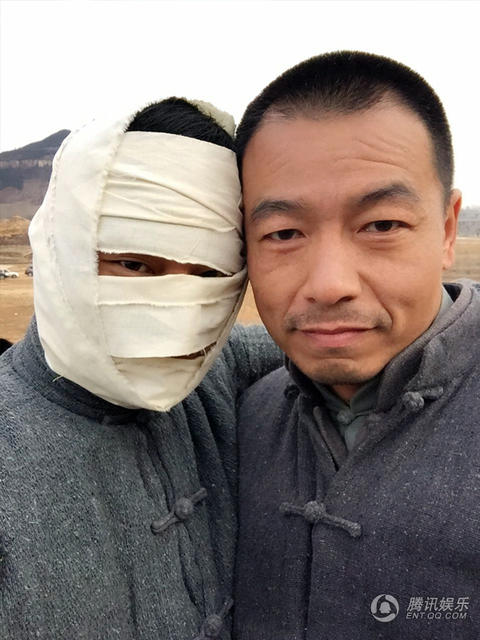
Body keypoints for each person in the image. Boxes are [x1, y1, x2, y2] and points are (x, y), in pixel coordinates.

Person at [0, 97, 281, 639]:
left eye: (208, 274)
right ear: (64, 248)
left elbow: (334, 339)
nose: (176, 310)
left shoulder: (215, 376)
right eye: (134, 264)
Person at [233, 51, 478, 639]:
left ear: (447, 230)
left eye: (381, 225)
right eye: (283, 233)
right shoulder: (247, 418)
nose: (329, 284)